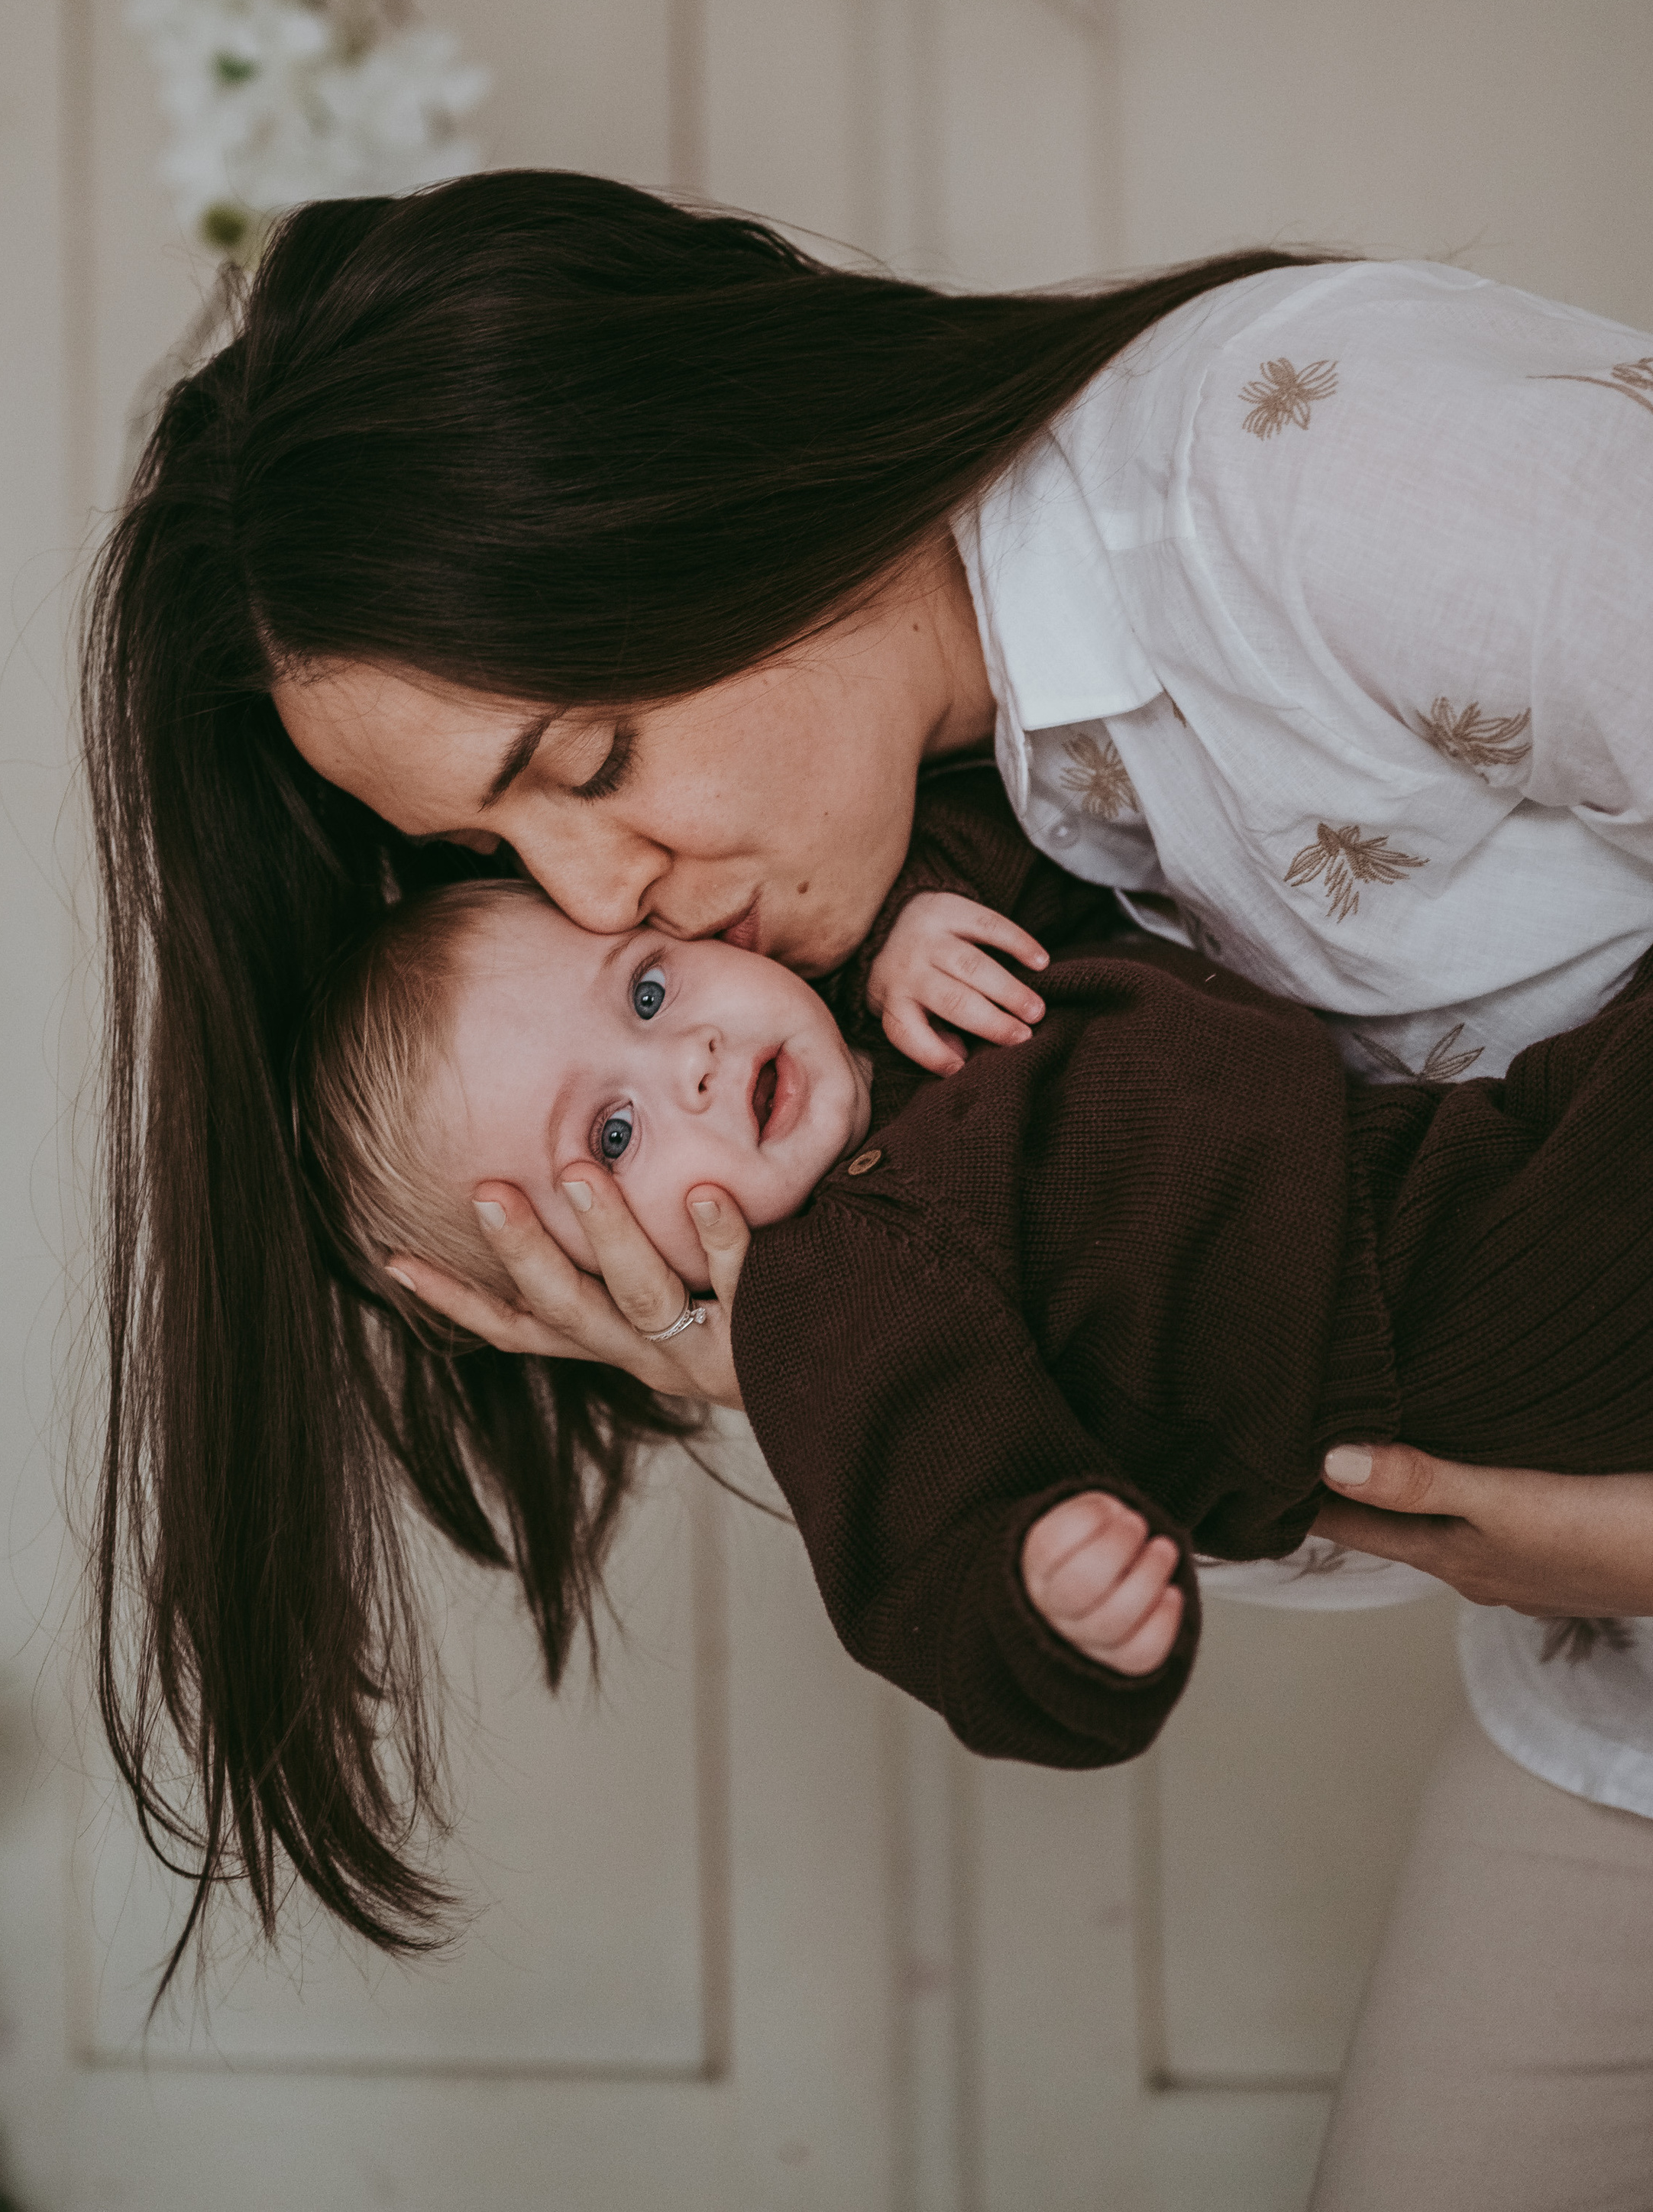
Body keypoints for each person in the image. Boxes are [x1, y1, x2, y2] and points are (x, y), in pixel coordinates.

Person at [84, 170, 1653, 2197]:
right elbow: (1309, 1388)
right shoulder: (940, 873)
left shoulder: (1321, 473)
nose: (602, 892)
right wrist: (793, 1358)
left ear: (714, 485)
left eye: (586, 761)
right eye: (508, 862)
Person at [295, 762, 1653, 1769]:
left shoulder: (874, 1011)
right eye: (612, 1129)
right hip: (1456, 1328)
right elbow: (927, 1567)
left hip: (1461, 1159)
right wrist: (1045, 1599)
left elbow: (1042, 824)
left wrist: (918, 921)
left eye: (646, 990)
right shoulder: (831, 1304)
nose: (688, 1055)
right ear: (578, 1273)